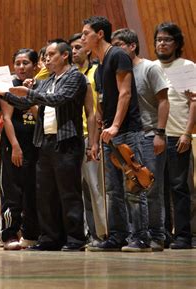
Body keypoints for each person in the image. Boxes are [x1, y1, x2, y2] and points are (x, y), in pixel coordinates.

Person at [4, 39, 90, 251]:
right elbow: (26, 103)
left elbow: (59, 99)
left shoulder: (75, 77)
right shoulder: (46, 81)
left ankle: (75, 239)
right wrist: (1, 93)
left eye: (51, 55)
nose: (47, 59)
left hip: (67, 142)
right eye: (46, 56)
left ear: (64, 56)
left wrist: (29, 93)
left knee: (68, 192)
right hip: (45, 142)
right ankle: (50, 238)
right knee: (45, 193)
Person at [81, 16, 151, 252]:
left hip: (127, 131)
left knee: (134, 184)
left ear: (99, 34)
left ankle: (141, 238)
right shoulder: (99, 65)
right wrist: (102, 121)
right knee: (113, 190)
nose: (82, 39)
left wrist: (116, 126)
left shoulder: (118, 55)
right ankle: (118, 236)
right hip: (109, 133)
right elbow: (102, 98)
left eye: (85, 34)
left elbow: (125, 93)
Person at [111, 28, 170, 251]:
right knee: (132, 188)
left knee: (151, 186)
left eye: (119, 45)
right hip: (129, 136)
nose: (115, 50)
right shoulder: (118, 70)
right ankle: (139, 234)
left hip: (149, 134)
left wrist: (160, 133)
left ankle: (158, 235)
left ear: (132, 45)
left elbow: (164, 101)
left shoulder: (149, 68)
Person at [153, 22, 195, 249]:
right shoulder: (152, 67)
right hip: (155, 136)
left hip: (178, 135)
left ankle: (183, 236)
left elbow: (194, 102)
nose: (162, 43)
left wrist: (187, 133)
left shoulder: (186, 66)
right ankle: (164, 234)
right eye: (159, 39)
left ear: (177, 43)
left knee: (179, 187)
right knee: (158, 188)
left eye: (167, 39)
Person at [0, 48, 40, 250]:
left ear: (35, 65)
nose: (21, 67)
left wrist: (30, 93)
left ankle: (31, 234)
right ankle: (9, 234)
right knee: (12, 191)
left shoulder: (40, 85)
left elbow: (40, 116)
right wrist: (15, 146)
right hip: (13, 145)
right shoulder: (9, 85)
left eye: (26, 63)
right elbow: (6, 117)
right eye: (18, 63)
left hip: (36, 144)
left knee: (32, 191)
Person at [69, 33, 107, 244]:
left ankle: (103, 234)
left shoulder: (96, 72)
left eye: (77, 47)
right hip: (72, 138)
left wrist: (95, 141)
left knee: (96, 189)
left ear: (88, 50)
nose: (74, 52)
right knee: (79, 191)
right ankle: (87, 233)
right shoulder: (70, 75)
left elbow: (97, 111)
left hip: (91, 136)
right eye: (71, 48)